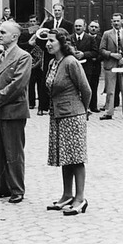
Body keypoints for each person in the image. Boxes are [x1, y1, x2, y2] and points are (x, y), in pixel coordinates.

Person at [0, 21, 32, 204]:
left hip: (13, 111)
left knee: (13, 152)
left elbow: (17, 85)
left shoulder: (23, 57)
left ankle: (17, 188)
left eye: (3, 32)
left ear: (14, 36)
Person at [44, 28, 91, 216]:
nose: (48, 44)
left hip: (73, 115)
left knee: (76, 157)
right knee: (65, 156)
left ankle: (80, 199)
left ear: (62, 43)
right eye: (47, 41)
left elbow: (86, 89)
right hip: (57, 114)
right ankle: (67, 195)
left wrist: (83, 110)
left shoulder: (71, 62)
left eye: (52, 41)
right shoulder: (53, 62)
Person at [99, 12, 123, 120]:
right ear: (112, 22)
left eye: (118, 20)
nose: (116, 23)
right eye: (114, 21)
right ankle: (108, 112)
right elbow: (101, 49)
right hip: (111, 65)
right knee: (110, 90)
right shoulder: (107, 34)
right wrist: (112, 54)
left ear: (122, 21)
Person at [69, 18, 99, 112]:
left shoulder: (90, 38)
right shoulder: (70, 38)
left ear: (84, 27)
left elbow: (95, 52)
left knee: (87, 87)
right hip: (73, 67)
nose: (78, 28)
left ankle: (88, 107)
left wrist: (84, 54)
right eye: (76, 26)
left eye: (80, 26)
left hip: (87, 67)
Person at [87, 20, 103, 111]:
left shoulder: (101, 39)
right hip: (86, 64)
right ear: (88, 27)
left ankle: (93, 106)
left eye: (96, 27)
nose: (93, 28)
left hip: (96, 65)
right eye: (92, 26)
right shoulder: (85, 38)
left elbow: (102, 51)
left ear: (99, 29)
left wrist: (97, 58)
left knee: (94, 85)